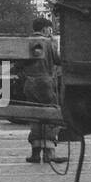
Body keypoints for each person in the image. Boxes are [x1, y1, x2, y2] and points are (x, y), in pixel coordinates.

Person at [24, 16, 62, 163]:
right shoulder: (47, 42)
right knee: (50, 116)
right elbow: (58, 60)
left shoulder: (27, 42)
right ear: (45, 28)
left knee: (35, 117)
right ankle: (49, 154)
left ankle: (35, 153)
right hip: (45, 82)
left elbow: (20, 64)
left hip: (29, 83)